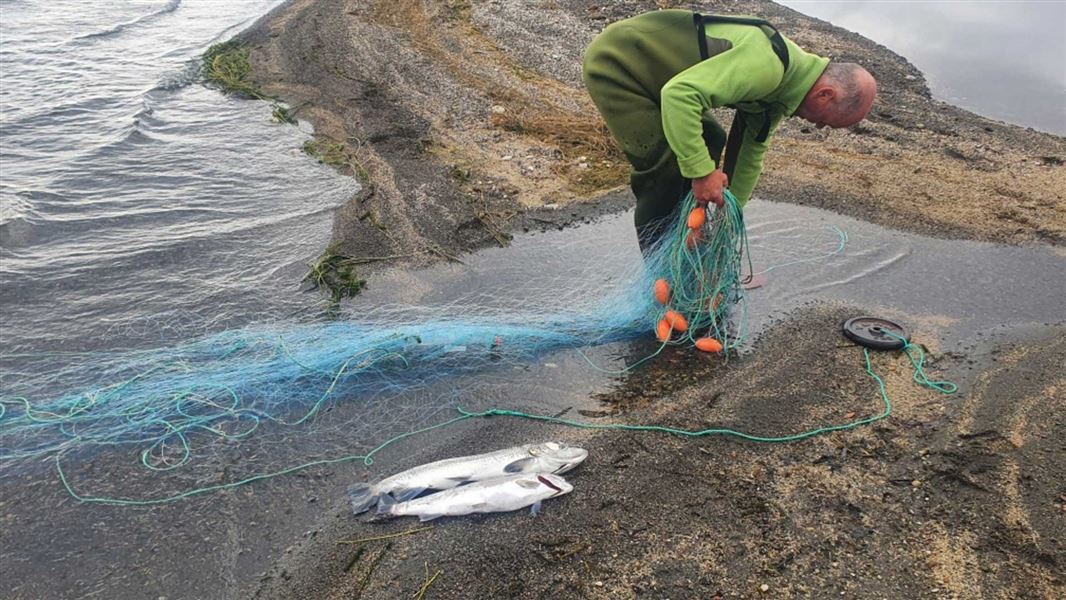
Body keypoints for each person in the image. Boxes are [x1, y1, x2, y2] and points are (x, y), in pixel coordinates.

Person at [582, 9, 877, 245]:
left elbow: (750, 153)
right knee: (664, 167)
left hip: (658, 78)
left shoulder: (780, 95)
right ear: (826, 95)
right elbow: (679, 95)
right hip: (619, 63)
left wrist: (730, 215)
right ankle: (660, 276)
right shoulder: (768, 67)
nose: (815, 124)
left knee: (711, 137)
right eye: (823, 120)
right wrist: (701, 173)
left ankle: (687, 239)